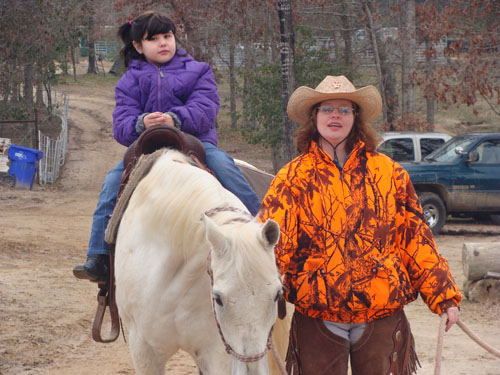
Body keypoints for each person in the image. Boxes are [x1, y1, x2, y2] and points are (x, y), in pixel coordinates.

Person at [257, 75, 461, 375]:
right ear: (314, 117)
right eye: (327, 108)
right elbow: (271, 247)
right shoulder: (292, 178)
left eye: (345, 109)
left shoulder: (390, 174)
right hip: (317, 314)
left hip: (381, 312)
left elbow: (416, 239)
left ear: (356, 118)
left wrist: (443, 294)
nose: (335, 116)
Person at [73, 11, 260, 282]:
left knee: (225, 167)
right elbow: (121, 125)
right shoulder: (129, 81)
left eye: (167, 36)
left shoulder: (198, 71)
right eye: (154, 39)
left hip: (196, 143)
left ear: (175, 38)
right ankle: (98, 255)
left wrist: (176, 118)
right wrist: (141, 123)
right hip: (148, 148)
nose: (163, 43)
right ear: (138, 46)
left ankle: (261, 228)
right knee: (113, 181)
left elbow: (206, 109)